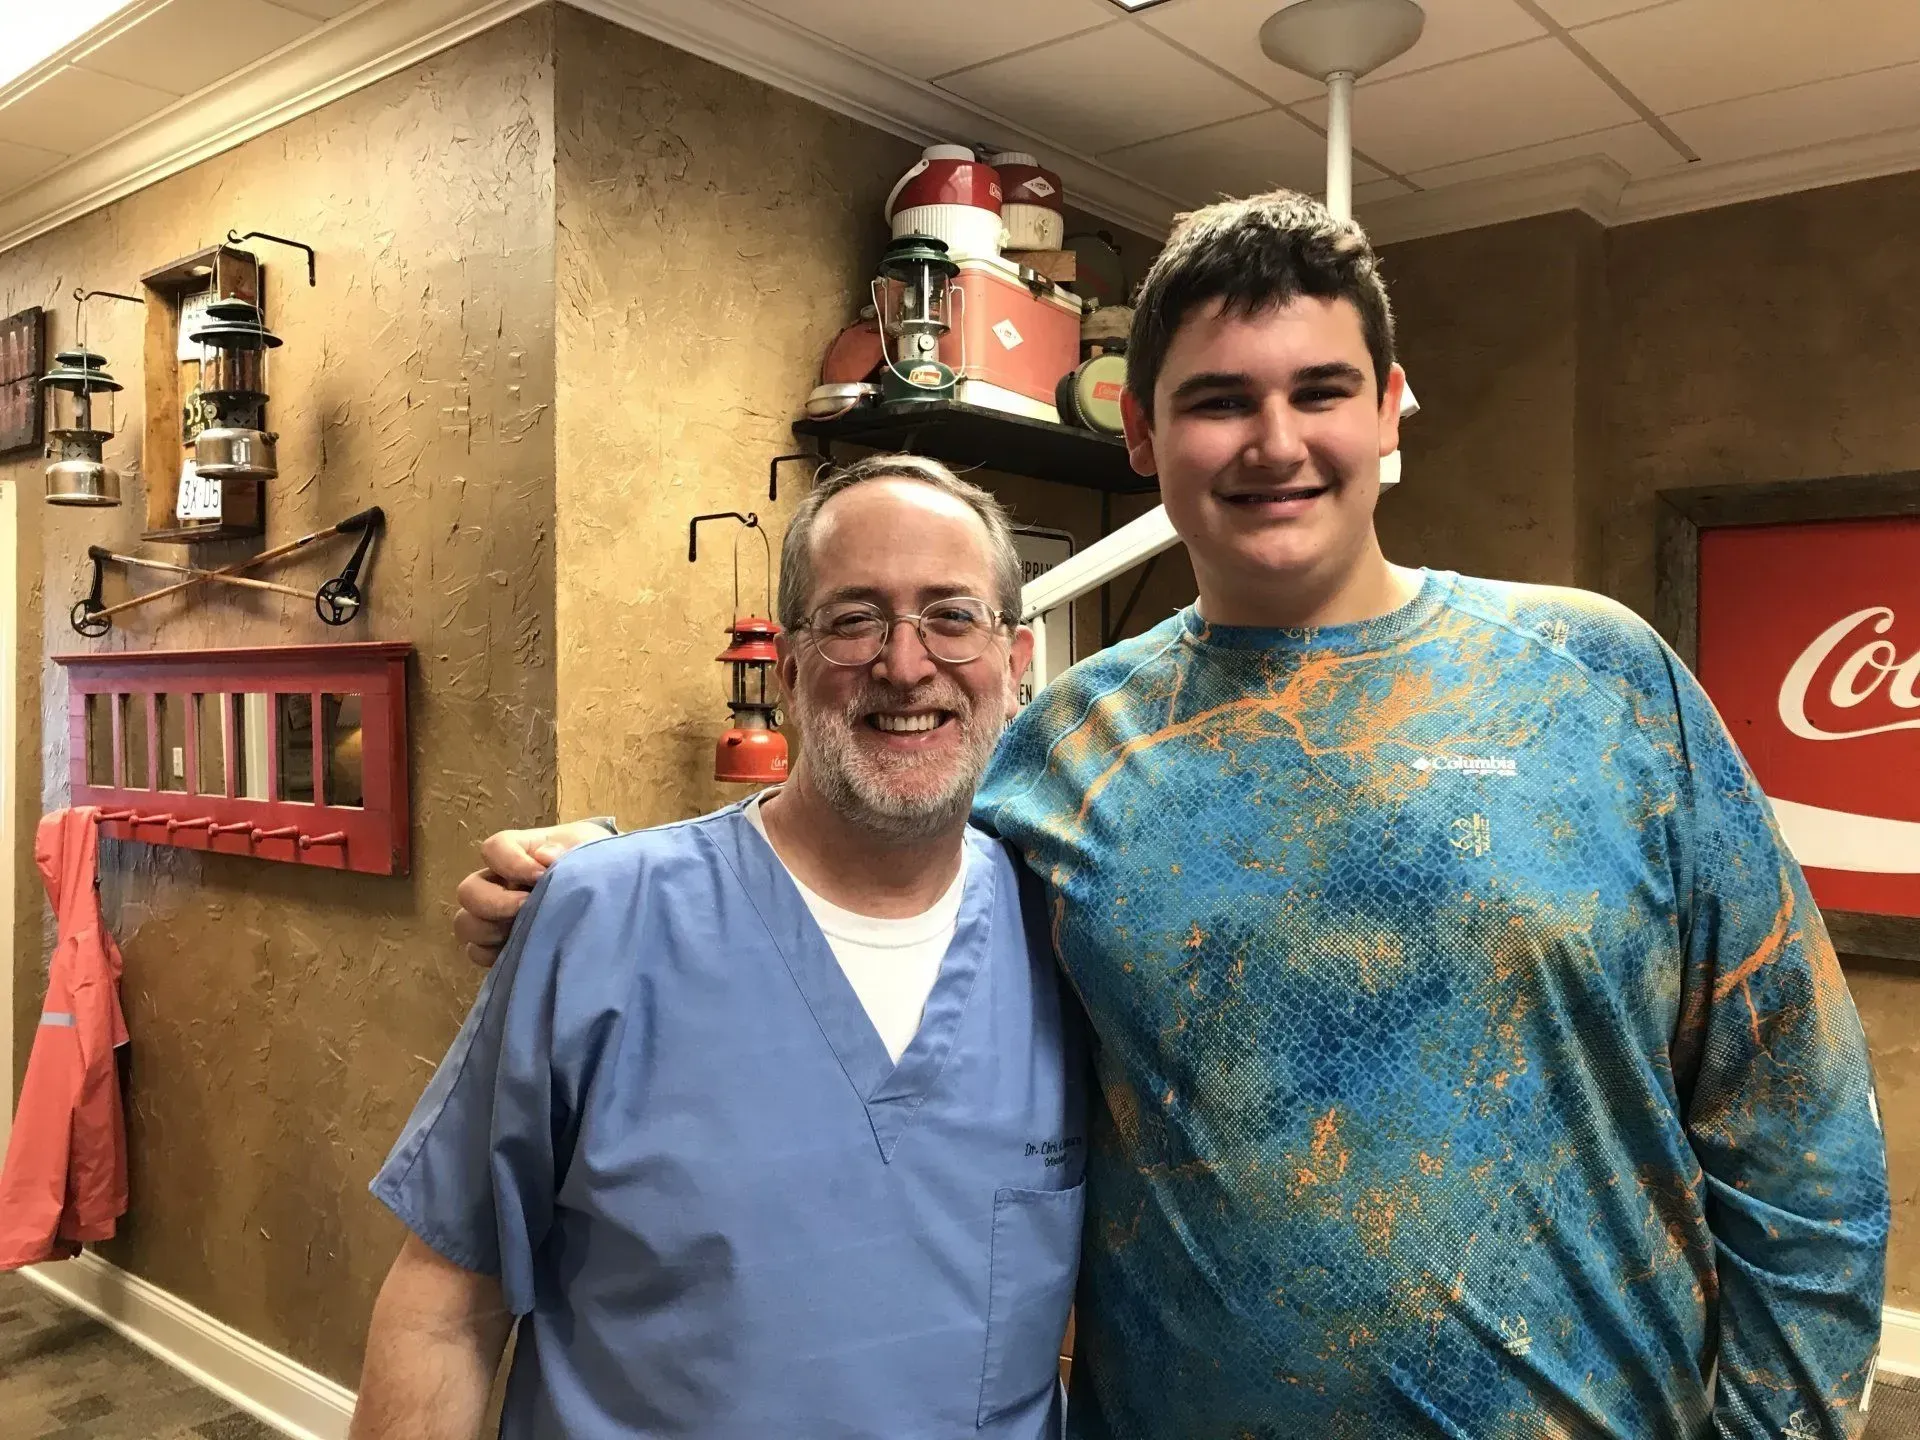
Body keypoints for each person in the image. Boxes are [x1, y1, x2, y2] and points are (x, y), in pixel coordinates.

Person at [454, 192, 1889, 1439]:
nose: (1275, 441)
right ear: (1142, 432)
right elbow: (862, 837)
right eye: (1218, 400)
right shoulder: (1066, 742)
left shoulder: (1597, 679)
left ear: (1392, 406)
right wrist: (600, 886)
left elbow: (1802, 1140)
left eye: (1319, 389)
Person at [354, 455, 1085, 1440]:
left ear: (1018, 663)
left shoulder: (1076, 939)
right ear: (785, 665)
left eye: (952, 615)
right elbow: (446, 1311)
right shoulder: (603, 923)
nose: (905, 665)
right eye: (854, 617)